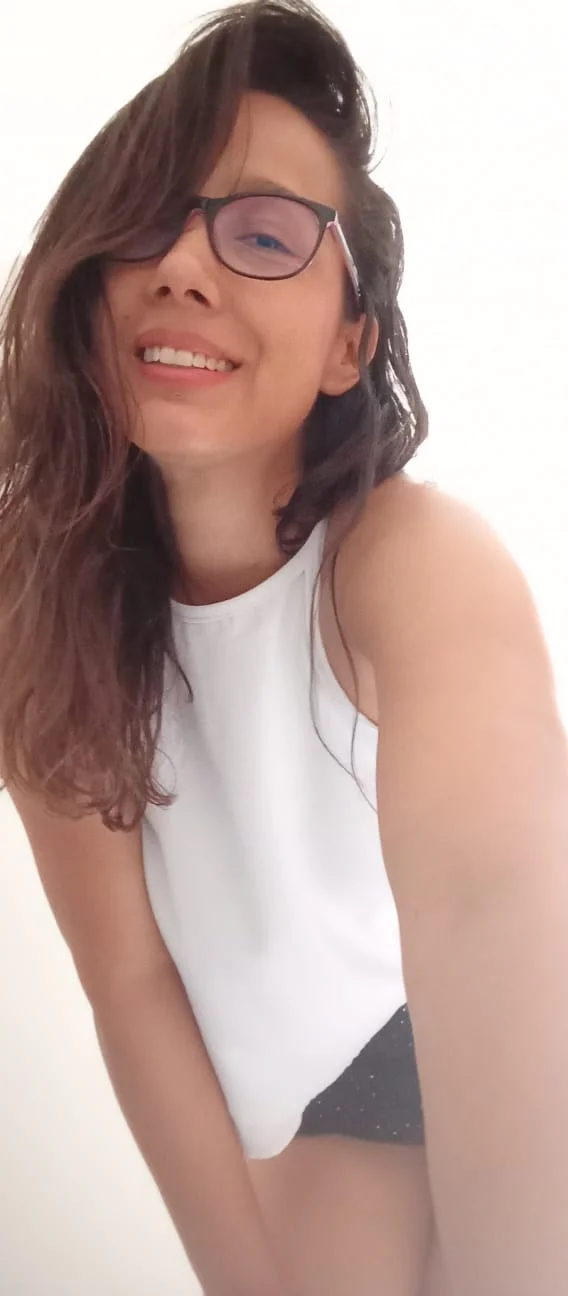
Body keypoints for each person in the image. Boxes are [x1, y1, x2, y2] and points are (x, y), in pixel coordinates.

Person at [6, 3, 565, 1296]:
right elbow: (131, 985)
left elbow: (494, 912)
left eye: (263, 235)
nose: (180, 267)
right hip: (313, 1105)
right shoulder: (41, 618)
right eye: (142, 222)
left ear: (350, 344)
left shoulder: (413, 563)